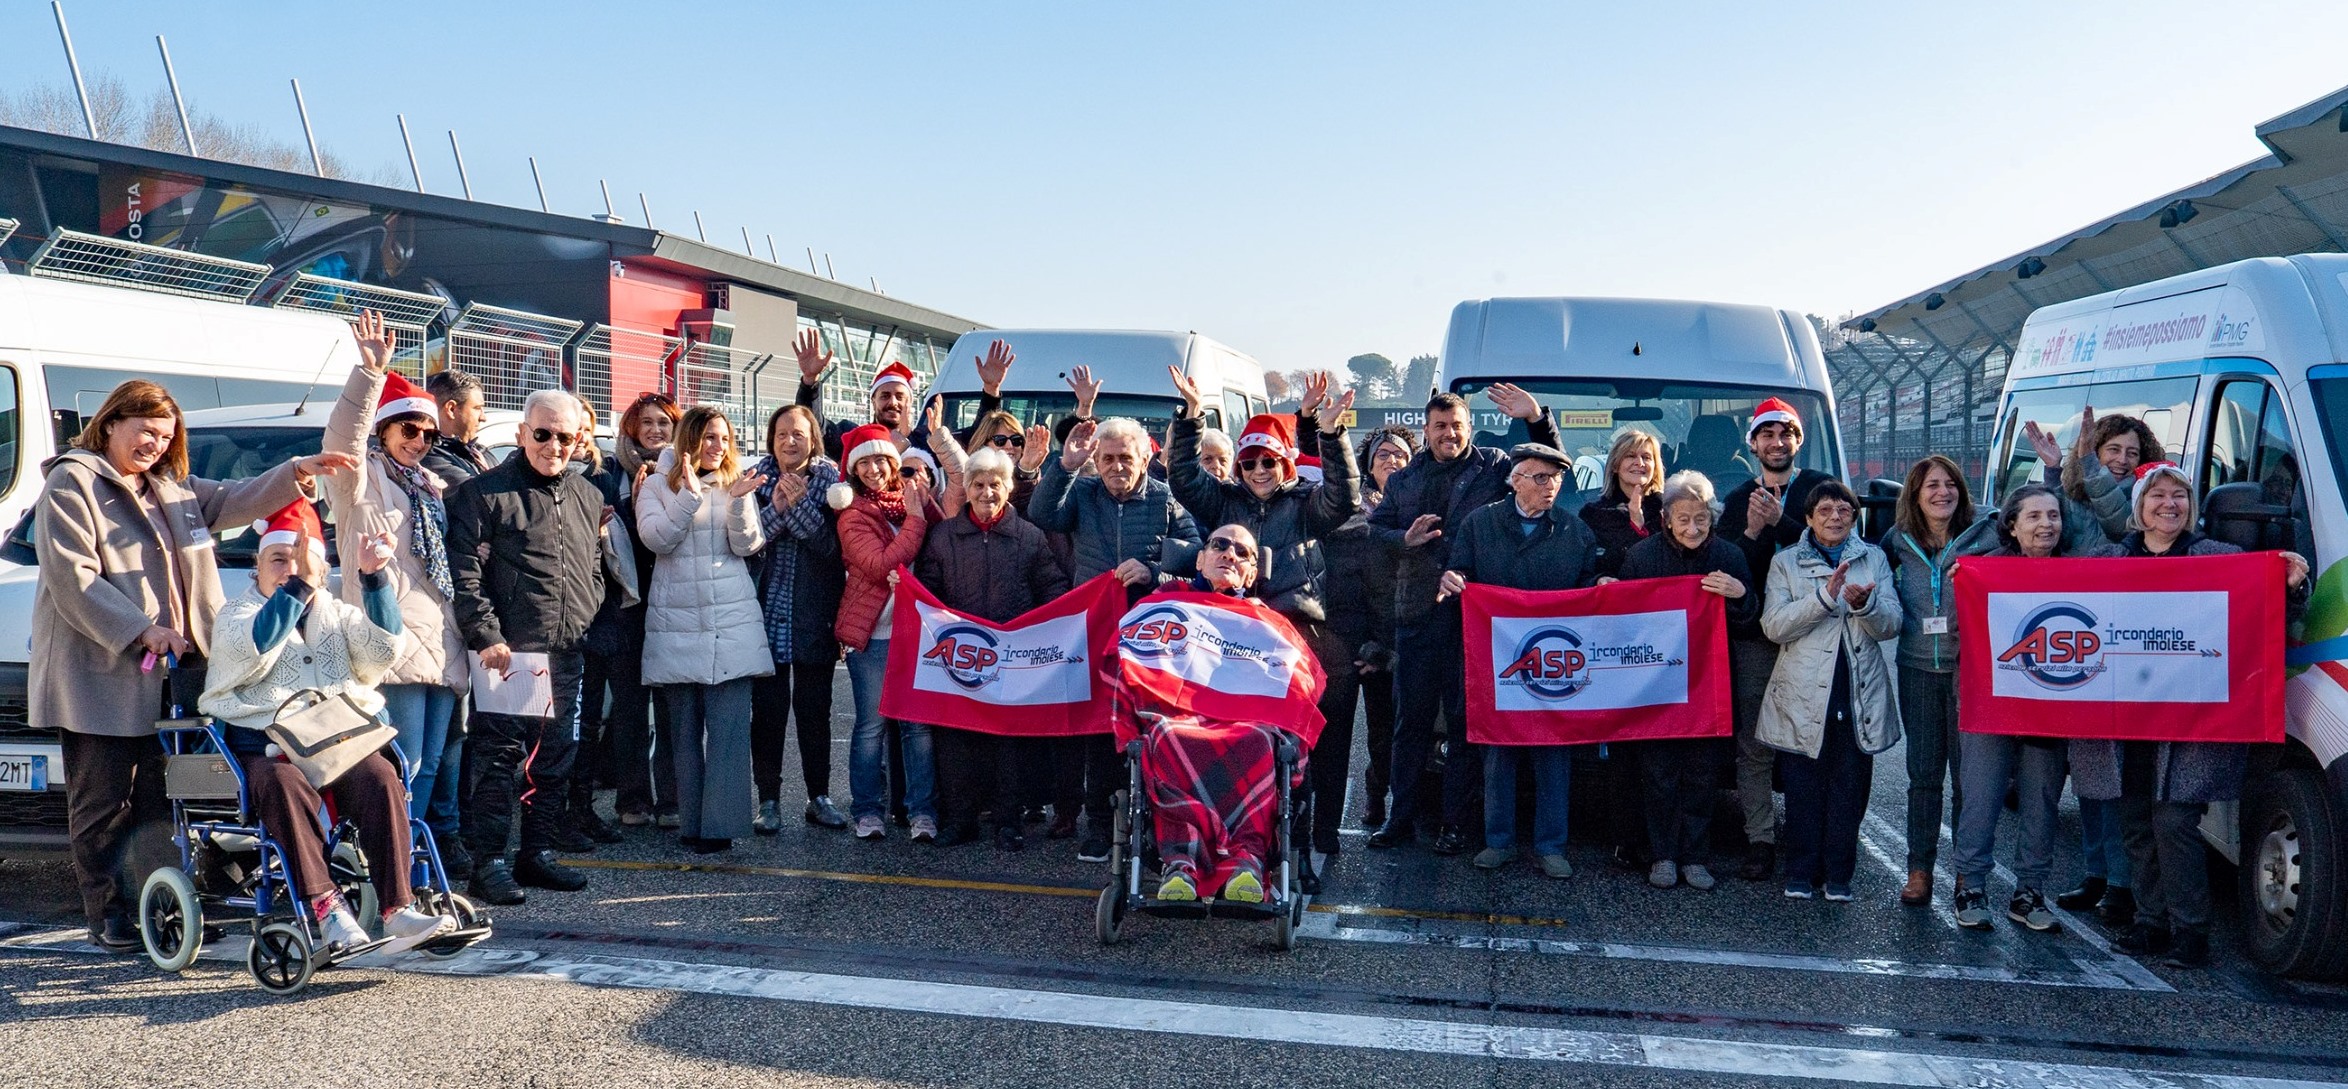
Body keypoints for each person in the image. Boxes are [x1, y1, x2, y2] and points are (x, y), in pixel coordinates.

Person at [32, 380, 351, 951]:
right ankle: (107, 913)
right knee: (103, 799)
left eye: (164, 435)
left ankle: (156, 906)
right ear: (111, 423)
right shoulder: (72, 480)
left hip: (177, 672)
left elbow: (235, 499)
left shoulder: (169, 486)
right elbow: (72, 577)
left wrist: (297, 470)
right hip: (100, 672)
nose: (155, 444)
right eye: (145, 431)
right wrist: (140, 628)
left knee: (163, 799)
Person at [2071, 462, 2310, 968]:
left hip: (2189, 724)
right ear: (2139, 507)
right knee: (2136, 824)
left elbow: (2266, 620)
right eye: (2157, 495)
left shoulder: (2221, 558)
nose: (2169, 504)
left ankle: (2190, 931)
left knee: (2174, 823)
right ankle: (2151, 922)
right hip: (2124, 723)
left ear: (2191, 505)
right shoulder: (2108, 559)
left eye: (2178, 495)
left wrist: (2289, 586)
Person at [198, 499, 454, 955]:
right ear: (257, 566)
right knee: (283, 784)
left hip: (334, 743)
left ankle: (398, 907)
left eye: (302, 563)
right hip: (263, 745)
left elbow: (383, 653)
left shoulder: (335, 611)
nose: (289, 570)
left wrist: (374, 580)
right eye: (279, 560)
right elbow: (258, 643)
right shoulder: (236, 613)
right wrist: (300, 584)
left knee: (380, 776)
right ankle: (327, 907)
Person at [1167, 369, 1361, 883]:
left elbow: (1345, 498)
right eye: (1249, 461)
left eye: (1268, 461)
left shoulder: (1305, 506)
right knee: (1236, 741)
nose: (1258, 470)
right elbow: (1183, 476)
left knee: (1305, 747)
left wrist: (1332, 434)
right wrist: (1190, 417)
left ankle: (1307, 850)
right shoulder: (1223, 501)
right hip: (1231, 635)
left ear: (1285, 465)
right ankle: (1224, 841)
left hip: (1295, 635)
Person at [1367, 385, 1560, 853]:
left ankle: (1454, 823)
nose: (1448, 434)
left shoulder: (1494, 466)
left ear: (1469, 428)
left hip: (1474, 618)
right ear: (1426, 431)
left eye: (1456, 426)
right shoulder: (1404, 479)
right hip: (1416, 616)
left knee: (1463, 724)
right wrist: (1403, 539)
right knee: (1409, 724)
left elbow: (1549, 469)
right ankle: (1399, 819)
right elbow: (1374, 533)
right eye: (1440, 426)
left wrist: (1537, 419)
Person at [319, 312, 474, 879]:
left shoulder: (431, 486)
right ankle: (392, 872)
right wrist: (369, 374)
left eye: (428, 433)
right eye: (408, 429)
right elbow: (341, 442)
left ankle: (414, 869)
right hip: (391, 640)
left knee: (431, 767)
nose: (419, 441)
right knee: (402, 767)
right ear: (383, 430)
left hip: (443, 636)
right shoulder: (360, 483)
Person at [447, 390, 605, 905]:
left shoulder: (587, 495)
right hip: (511, 653)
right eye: (543, 434)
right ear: (522, 434)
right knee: (500, 757)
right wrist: (487, 635)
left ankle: (536, 852)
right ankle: (488, 863)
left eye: (565, 437)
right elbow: (465, 575)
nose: (553, 445)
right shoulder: (485, 493)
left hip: (567, 648)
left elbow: (592, 566)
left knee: (555, 757)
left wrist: (587, 608)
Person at [1949, 483, 2119, 933]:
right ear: (2011, 525)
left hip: (2050, 706)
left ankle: (2029, 892)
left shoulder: (2077, 571)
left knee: (2041, 802)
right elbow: (1953, 628)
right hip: (1991, 704)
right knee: (1982, 796)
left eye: (2053, 516)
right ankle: (1971, 885)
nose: (2047, 525)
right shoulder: (1981, 568)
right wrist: (1961, 588)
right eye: (2035, 516)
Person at [1029, 413, 1200, 860]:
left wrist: (1154, 571)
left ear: (1144, 457)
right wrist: (1065, 466)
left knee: (1148, 730)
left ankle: (1153, 829)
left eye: (1125, 457)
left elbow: (1197, 553)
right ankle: (1101, 827)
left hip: (1150, 637)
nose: (1116, 466)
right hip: (1095, 630)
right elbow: (1042, 513)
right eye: (1107, 459)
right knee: (1101, 731)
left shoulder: (1165, 498)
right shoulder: (1083, 492)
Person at [2023, 407, 2163, 920]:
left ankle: (2123, 885)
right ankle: (2097, 872)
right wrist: (2054, 471)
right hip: (2081, 648)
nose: (2123, 460)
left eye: (2132, 452)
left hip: (2127, 650)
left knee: (2117, 774)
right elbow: (2049, 526)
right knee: (2089, 773)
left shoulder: (2145, 501)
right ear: (2097, 452)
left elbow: (2117, 519)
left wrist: (2085, 463)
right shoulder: (2077, 497)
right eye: (2112, 450)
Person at [1437, 443, 1599, 879]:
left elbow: (1589, 587)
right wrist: (1454, 579)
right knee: (1498, 752)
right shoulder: (1480, 523)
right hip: (1497, 660)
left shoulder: (1575, 531)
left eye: (1557, 478)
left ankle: (1551, 846)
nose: (1551, 486)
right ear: (1515, 480)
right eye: (1541, 477)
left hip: (1554, 661)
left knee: (1554, 754)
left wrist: (1601, 584)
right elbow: (1460, 571)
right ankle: (1499, 841)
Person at [1133, 524, 1304, 903]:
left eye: (1242, 553)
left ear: (1252, 574)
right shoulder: (1165, 603)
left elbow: (1296, 679)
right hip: (1179, 715)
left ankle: (1247, 861)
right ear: (1199, 559)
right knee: (1166, 735)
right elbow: (1133, 655)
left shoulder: (1264, 620)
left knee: (1260, 740)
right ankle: (1181, 864)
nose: (1229, 554)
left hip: (1243, 721)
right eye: (1219, 545)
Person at [916, 447, 1071, 849]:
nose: (987, 492)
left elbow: (1052, 588)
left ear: (1009, 487)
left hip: (1010, 657)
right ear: (967, 488)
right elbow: (928, 590)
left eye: (996, 484)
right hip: (960, 658)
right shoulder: (943, 536)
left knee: (1009, 743)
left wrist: (1042, 630)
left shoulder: (1029, 536)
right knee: (956, 741)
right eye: (979, 484)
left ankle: (1008, 821)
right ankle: (960, 819)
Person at [636, 406, 773, 854]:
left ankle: (721, 826)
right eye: (710, 437)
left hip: (730, 623)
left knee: (729, 731)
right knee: (684, 734)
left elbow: (748, 545)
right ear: (690, 440)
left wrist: (739, 501)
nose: (719, 446)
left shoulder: (735, 483)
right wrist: (689, 497)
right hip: (677, 625)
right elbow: (656, 539)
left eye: (725, 438)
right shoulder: (656, 484)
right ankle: (691, 823)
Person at [1758, 480, 1901, 901]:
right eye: (1824, 510)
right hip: (1802, 690)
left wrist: (1865, 605)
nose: (1835, 517)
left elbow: (1892, 623)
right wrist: (1824, 597)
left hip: (1858, 688)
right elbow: (1774, 625)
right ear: (1808, 518)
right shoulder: (1785, 562)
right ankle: (1800, 871)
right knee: (1802, 786)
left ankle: (1839, 874)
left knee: (1849, 787)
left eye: (1844, 511)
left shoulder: (1873, 558)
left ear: (1854, 518)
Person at [1720, 398, 1839, 881]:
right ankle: (1760, 839)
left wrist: (1782, 524)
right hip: (1756, 639)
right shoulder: (1737, 498)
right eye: (1767, 435)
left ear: (1798, 440)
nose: (1776, 442)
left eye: (1785, 433)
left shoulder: (1822, 489)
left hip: (1812, 635)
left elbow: (1837, 551)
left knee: (1810, 739)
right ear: (1752, 443)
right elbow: (1731, 569)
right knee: (1754, 743)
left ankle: (1812, 837)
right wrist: (1752, 531)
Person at [1619, 471, 1756, 891]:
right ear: (1666, 519)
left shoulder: (1730, 557)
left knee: (1703, 776)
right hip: (1656, 686)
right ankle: (1662, 855)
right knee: (1658, 774)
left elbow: (1750, 623)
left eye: (1701, 518)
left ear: (1713, 517)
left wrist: (1740, 595)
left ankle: (1696, 857)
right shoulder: (1641, 558)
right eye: (1683, 519)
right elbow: (1622, 623)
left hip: (1709, 685)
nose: (1693, 528)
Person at [1878, 454, 1995, 907]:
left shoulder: (1988, 536)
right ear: (1915, 494)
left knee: (1970, 780)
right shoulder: (1896, 540)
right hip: (1917, 670)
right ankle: (1919, 870)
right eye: (1932, 485)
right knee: (1923, 776)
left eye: (1950, 484)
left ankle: (1967, 873)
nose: (1942, 492)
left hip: (1971, 673)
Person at [830, 422, 942, 841]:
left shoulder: (910, 500)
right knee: (871, 726)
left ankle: (922, 812)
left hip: (917, 633)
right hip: (874, 634)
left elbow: (941, 537)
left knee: (918, 727)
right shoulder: (852, 515)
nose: (874, 469)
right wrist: (916, 518)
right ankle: (867, 811)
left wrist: (924, 505)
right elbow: (881, 566)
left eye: (881, 460)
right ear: (854, 471)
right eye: (865, 464)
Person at [748, 404, 849, 833]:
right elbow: (748, 540)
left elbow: (831, 547)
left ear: (814, 439)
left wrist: (798, 505)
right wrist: (777, 506)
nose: (790, 441)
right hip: (765, 614)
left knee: (815, 712)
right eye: (782, 434)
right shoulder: (754, 479)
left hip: (815, 614)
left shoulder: (833, 482)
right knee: (767, 714)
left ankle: (818, 796)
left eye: (799, 434)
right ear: (771, 439)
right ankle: (768, 800)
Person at [1315, 425, 1414, 844]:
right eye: (1383, 455)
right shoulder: (1348, 506)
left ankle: (1378, 793)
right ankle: (1324, 827)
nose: (1392, 460)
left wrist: (1382, 647)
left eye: (1400, 454)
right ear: (1368, 464)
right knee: (1332, 737)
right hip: (1341, 637)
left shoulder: (1415, 507)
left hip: (1389, 638)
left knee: (1385, 734)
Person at [1581, 427, 1668, 871]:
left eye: (1647, 458)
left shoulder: (1671, 510)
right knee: (1622, 747)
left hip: (1663, 644)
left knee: (1659, 748)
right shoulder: (1592, 513)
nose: (1639, 464)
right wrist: (1597, 578)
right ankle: (1624, 838)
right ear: (1615, 464)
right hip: (1613, 644)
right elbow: (1582, 567)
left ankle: (1661, 842)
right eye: (1631, 456)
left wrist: (1642, 520)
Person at [605, 392, 683, 829]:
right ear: (631, 427)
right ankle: (632, 799)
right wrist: (631, 510)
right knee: (630, 708)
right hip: (626, 606)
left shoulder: (684, 471)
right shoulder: (610, 471)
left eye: (663, 423)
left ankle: (672, 799)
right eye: (646, 422)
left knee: (672, 707)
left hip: (673, 603)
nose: (654, 430)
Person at [793, 331, 1004, 462]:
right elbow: (814, 426)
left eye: (899, 396)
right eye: (885, 396)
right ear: (873, 400)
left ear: (910, 402)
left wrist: (991, 391)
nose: (892, 402)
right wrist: (810, 381)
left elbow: (978, 436)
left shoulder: (930, 439)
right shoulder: (855, 437)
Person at [422, 368, 495, 487]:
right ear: (451, 409)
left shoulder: (481, 453)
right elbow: (478, 492)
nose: (483, 417)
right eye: (477, 408)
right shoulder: (430, 457)